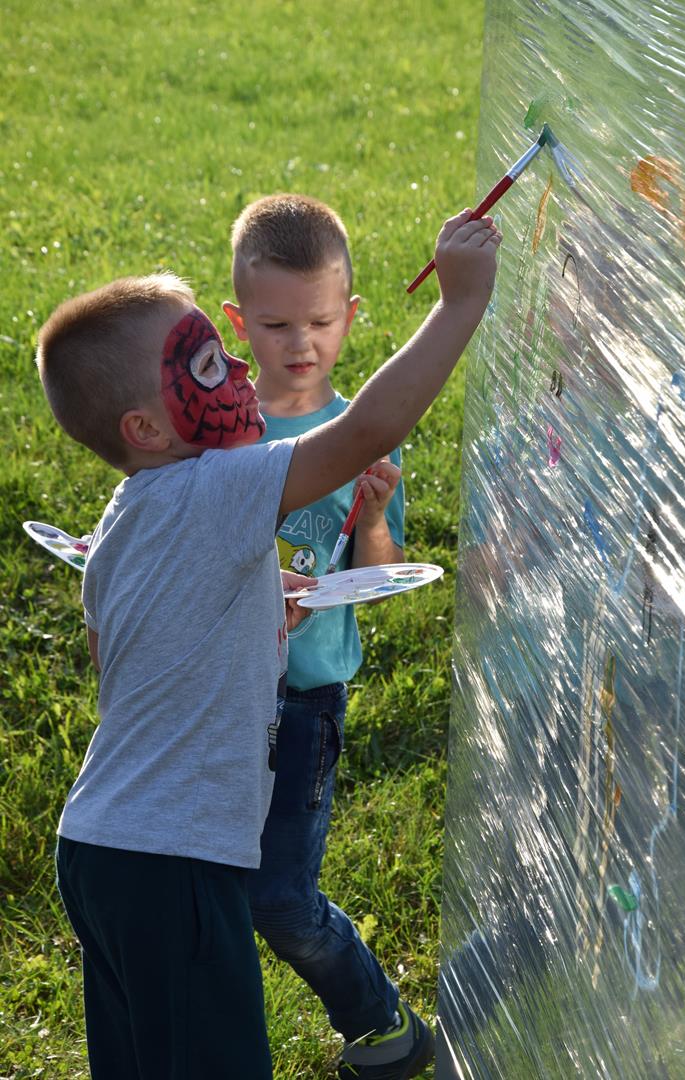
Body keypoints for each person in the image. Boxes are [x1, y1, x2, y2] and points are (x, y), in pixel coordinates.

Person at [36, 205, 501, 1080]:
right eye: (211, 362)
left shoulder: (126, 515)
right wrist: (461, 305)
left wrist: (250, 604)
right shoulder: (218, 482)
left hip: (98, 849)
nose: (241, 367)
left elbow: (117, 656)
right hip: (174, 864)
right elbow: (366, 431)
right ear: (147, 426)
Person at [221, 194, 412, 1079]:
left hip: (305, 697)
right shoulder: (220, 435)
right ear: (237, 324)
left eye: (322, 322)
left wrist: (372, 513)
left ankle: (382, 1024)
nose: (301, 344)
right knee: (207, 879)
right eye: (276, 324)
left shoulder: (362, 438)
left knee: (282, 898)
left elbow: (382, 568)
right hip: (219, 688)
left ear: (351, 316)